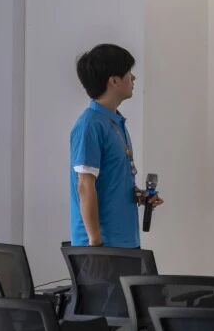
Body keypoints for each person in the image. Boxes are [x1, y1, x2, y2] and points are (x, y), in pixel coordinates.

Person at [69, 44, 160, 248]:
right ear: (114, 80)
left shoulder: (115, 122)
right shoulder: (90, 125)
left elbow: (110, 182)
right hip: (102, 245)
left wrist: (140, 196)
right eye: (128, 73)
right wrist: (95, 243)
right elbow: (84, 185)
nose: (133, 78)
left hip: (124, 241)